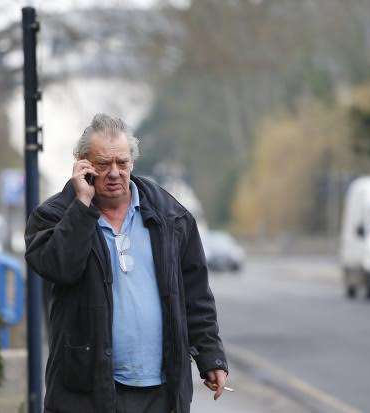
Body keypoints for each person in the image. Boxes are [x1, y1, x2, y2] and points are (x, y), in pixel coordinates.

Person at [25, 113, 228, 413]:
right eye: (103, 164)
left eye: (122, 162)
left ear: (133, 161)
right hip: (85, 391)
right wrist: (81, 206)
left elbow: (195, 295)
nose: (114, 172)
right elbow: (59, 268)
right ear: (82, 164)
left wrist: (210, 355)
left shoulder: (172, 216)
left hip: (162, 390)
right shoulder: (53, 217)